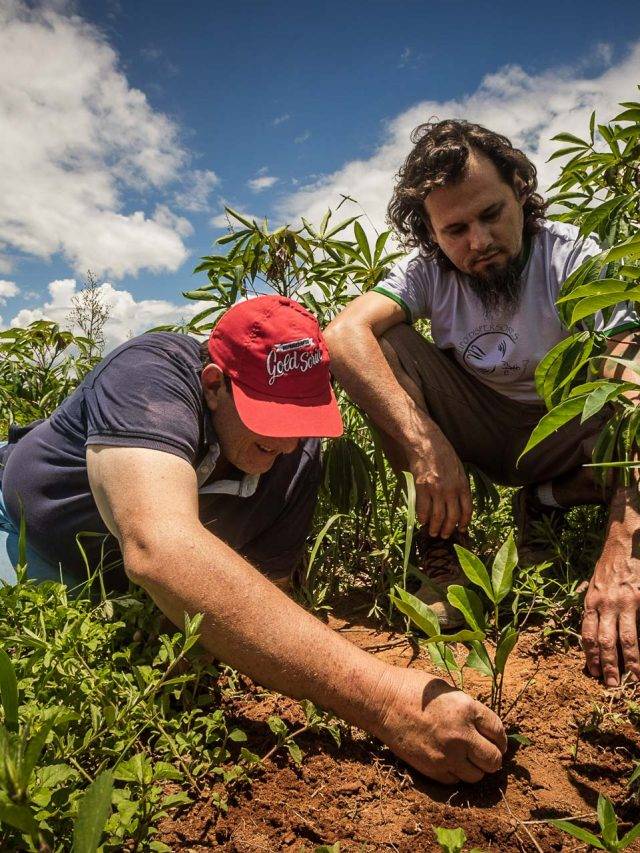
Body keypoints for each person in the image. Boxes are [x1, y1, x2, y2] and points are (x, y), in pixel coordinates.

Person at [0, 294, 506, 784]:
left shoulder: (296, 457)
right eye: (270, 415)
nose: (286, 442)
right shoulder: (149, 376)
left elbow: (265, 593)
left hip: (134, 594)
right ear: (214, 385)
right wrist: (387, 701)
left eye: (300, 417)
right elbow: (160, 550)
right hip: (28, 543)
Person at [325, 119, 640, 688]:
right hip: (480, 428)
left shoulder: (572, 257)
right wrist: (426, 446)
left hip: (570, 433)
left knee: (628, 390)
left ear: (519, 189)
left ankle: (545, 501)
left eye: (491, 214)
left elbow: (632, 387)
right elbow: (344, 335)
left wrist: (626, 551)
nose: (478, 242)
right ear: (431, 232)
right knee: (383, 346)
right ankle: (445, 552)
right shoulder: (427, 271)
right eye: (455, 229)